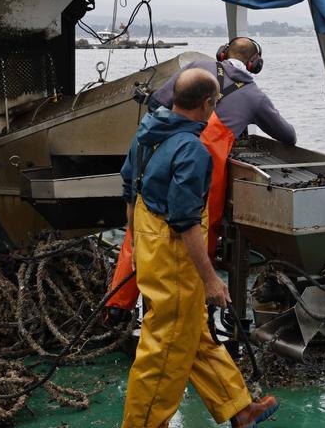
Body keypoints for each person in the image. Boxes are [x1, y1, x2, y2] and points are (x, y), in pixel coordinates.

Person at [119, 68, 278, 428]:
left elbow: (130, 197)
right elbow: (186, 222)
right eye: (216, 103)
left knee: (192, 332)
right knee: (165, 348)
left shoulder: (145, 135)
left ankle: (238, 408)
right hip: (174, 255)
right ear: (208, 104)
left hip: (148, 244)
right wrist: (210, 279)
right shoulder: (192, 149)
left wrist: (141, 250)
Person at [105, 37, 296, 323]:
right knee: (198, 231)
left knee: (144, 230)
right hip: (206, 167)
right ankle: (198, 303)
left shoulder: (197, 67)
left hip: (165, 155)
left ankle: (118, 306)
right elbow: (289, 136)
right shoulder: (254, 95)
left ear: (223, 52)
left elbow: (157, 102)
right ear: (254, 64)